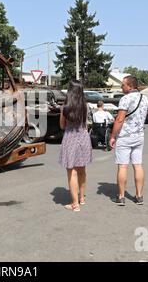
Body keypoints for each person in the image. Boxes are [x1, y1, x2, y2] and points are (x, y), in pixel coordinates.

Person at [109, 76, 148, 206]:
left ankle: (121, 196)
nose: (121, 87)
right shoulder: (144, 98)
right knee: (138, 165)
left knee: (123, 166)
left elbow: (120, 119)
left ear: (130, 86)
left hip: (125, 136)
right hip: (139, 136)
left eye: (123, 85)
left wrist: (113, 136)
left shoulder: (125, 99)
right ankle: (139, 196)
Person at [59, 80, 92, 212]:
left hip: (70, 138)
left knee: (72, 173)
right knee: (82, 171)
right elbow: (86, 124)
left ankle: (75, 204)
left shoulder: (65, 107)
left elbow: (62, 126)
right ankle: (82, 198)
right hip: (83, 138)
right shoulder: (86, 106)